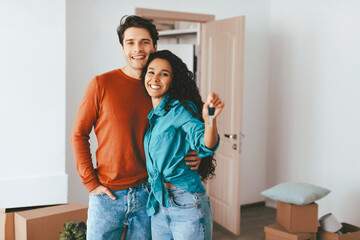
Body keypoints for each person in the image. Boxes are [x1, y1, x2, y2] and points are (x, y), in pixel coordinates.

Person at [71, 16, 201, 240]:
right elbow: (79, 134)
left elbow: (187, 130)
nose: (137, 48)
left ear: (155, 46)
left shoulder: (162, 90)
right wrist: (90, 183)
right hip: (107, 196)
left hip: (149, 194)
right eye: (130, 42)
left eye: (144, 42)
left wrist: (196, 155)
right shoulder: (101, 84)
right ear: (122, 48)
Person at [141, 50, 225, 240]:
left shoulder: (180, 110)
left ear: (173, 80)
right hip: (158, 203)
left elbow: (205, 143)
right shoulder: (153, 116)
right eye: (151, 72)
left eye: (164, 74)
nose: (155, 78)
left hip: (186, 202)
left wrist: (209, 120)